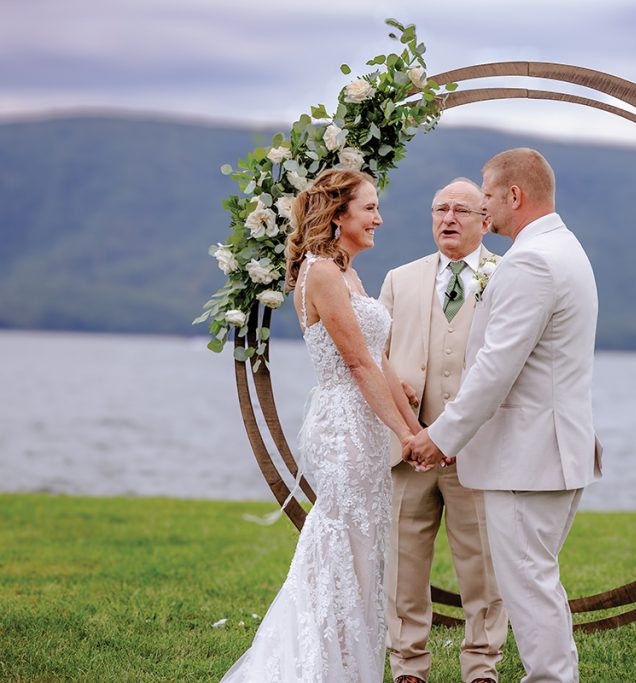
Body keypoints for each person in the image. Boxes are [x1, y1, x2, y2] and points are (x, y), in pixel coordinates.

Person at [405, 149, 602, 683]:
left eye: (487, 196)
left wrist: (439, 436)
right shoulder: (565, 248)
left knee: (528, 586)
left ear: (514, 195)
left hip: (527, 456)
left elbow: (496, 368)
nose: (483, 209)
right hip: (551, 451)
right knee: (536, 581)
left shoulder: (532, 261)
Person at [222, 168, 421, 682]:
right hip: (345, 428)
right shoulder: (324, 274)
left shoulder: (348, 272)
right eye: (370, 208)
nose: (380, 218)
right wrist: (406, 435)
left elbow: (378, 360)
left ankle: (349, 666)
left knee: (360, 554)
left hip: (365, 423)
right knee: (340, 550)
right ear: (338, 215)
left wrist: (415, 426)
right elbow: (357, 366)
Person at [379, 178, 508, 683]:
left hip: (477, 450)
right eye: (440, 209)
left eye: (461, 210)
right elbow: (378, 356)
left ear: (486, 220)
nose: (448, 218)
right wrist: (403, 406)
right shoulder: (400, 278)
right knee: (403, 565)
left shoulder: (507, 276)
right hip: (408, 447)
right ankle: (408, 666)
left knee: (482, 566)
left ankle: (482, 667)